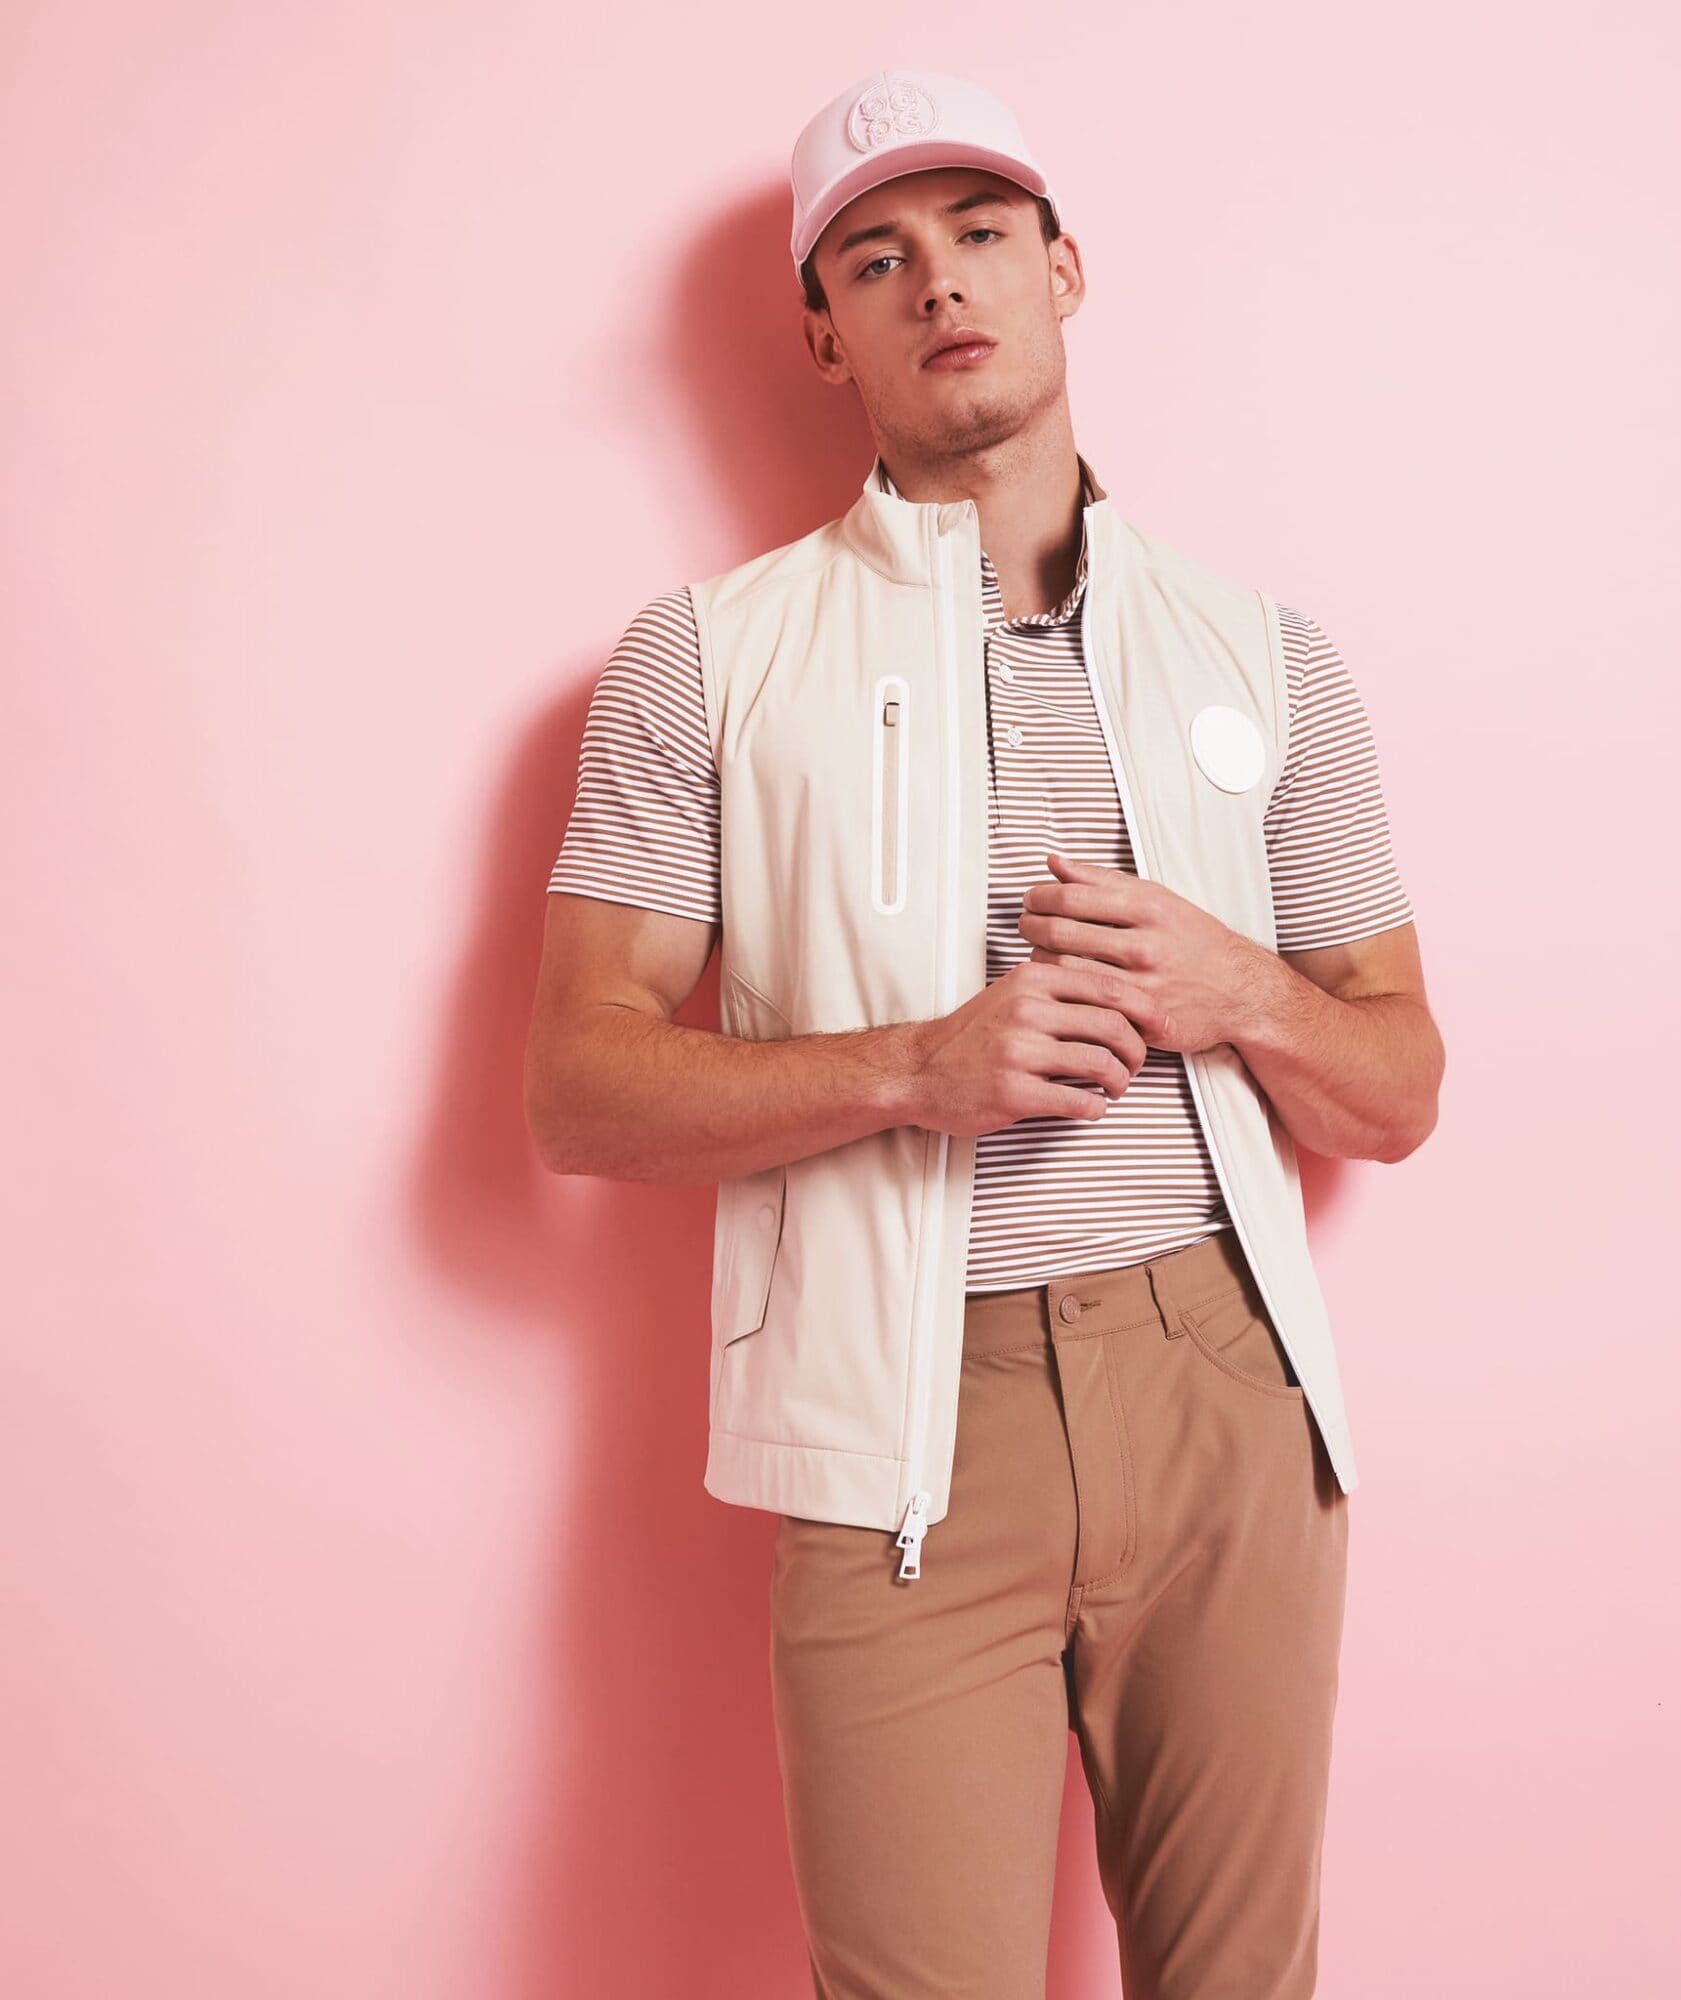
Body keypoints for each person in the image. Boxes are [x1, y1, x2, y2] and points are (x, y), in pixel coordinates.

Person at [526, 64, 1445, 2000]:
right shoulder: (708, 656)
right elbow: (579, 1088)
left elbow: (1397, 1088)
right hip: (898, 1416)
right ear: (824, 335)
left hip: (1223, 1384)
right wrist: (910, 1068)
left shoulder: (1266, 655)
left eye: (979, 232)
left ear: (1062, 268)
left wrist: (1239, 988)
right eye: (875, 258)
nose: (939, 281)